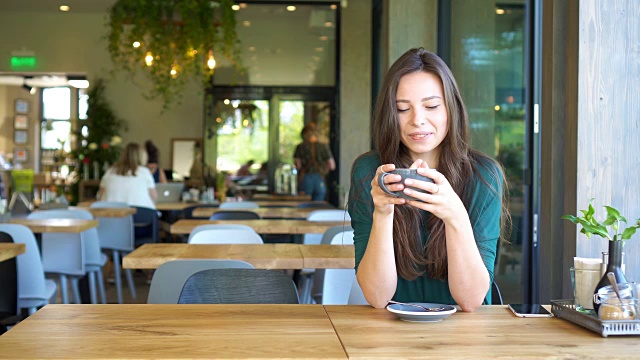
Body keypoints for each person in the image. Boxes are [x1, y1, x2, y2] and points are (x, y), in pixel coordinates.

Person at [348, 48, 509, 312]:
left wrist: (454, 215)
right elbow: (377, 296)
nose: (417, 121)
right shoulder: (370, 172)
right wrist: (383, 212)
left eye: (432, 106)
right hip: (392, 332)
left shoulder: (483, 175)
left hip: (465, 336)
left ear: (451, 108)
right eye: (402, 109)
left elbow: (470, 301)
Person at [98, 142, 157, 209]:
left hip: (113, 213)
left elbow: (100, 195)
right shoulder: (144, 172)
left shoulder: (110, 171)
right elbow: (153, 197)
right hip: (140, 213)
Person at [294, 125, 336, 201]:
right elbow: (332, 166)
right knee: (318, 206)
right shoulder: (323, 146)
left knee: (304, 205)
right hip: (319, 179)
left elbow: (298, 165)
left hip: (305, 179)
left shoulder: (300, 147)